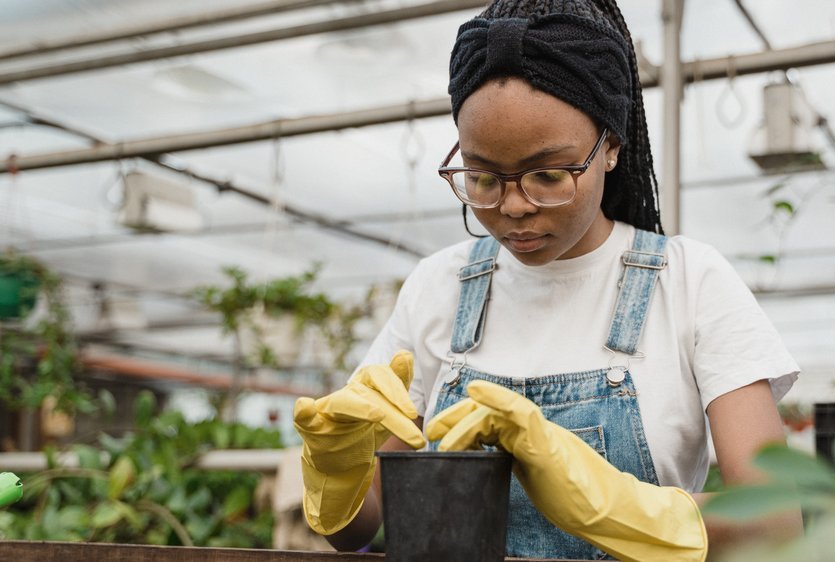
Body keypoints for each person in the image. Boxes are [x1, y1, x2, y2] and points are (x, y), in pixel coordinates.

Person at [293, 1, 801, 560]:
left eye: (548, 175)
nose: (513, 207)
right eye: (483, 176)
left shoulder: (688, 283)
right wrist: (337, 469)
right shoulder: (439, 286)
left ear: (610, 145)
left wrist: (609, 502)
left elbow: (775, 524)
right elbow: (356, 532)